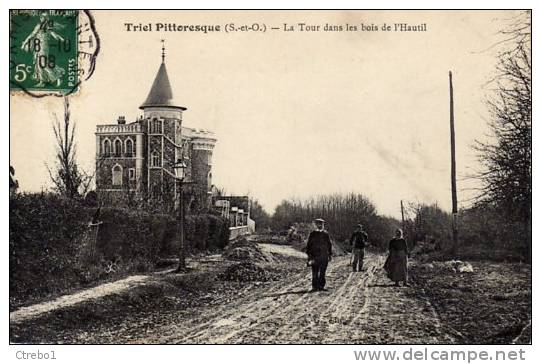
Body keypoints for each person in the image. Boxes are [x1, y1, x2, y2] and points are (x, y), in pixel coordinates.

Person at [305, 218, 333, 292]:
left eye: (321, 224)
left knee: (322, 272)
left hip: (324, 256)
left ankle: (321, 286)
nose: (320, 225)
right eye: (318, 224)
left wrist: (330, 254)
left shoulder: (326, 234)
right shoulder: (312, 234)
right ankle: (315, 287)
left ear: (323, 225)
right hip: (315, 256)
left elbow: (329, 245)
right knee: (315, 272)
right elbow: (308, 245)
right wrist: (309, 256)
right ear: (316, 225)